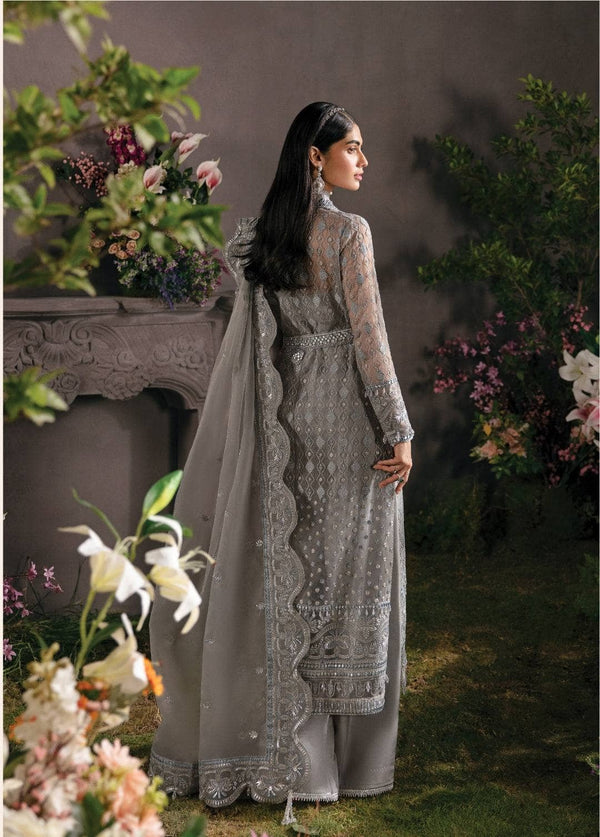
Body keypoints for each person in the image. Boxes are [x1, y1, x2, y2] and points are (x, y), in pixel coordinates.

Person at [149, 102, 414, 811]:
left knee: (293, 573)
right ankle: (341, 763)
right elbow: (370, 339)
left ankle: (296, 758)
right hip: (348, 422)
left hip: (284, 422)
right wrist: (399, 428)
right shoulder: (348, 233)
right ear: (315, 156)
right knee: (348, 576)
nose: (363, 161)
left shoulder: (259, 238)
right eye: (352, 148)